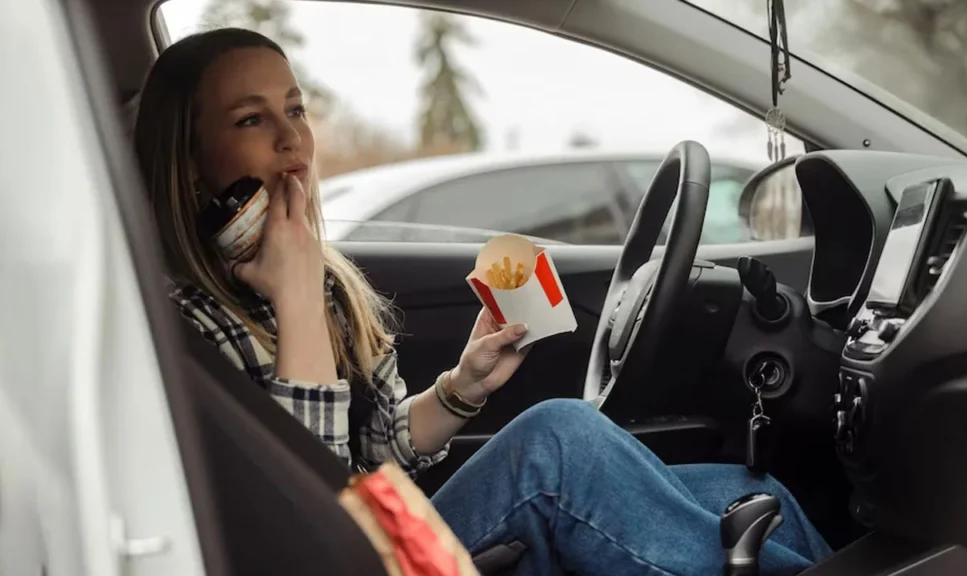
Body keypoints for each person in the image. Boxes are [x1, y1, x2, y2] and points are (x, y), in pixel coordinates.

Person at [133, 28, 831, 575]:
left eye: (294, 109)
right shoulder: (184, 326)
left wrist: (460, 389)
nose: (292, 139)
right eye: (252, 121)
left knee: (746, 493)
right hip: (352, 557)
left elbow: (374, 455)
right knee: (560, 441)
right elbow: (316, 516)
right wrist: (293, 301)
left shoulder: (323, 283)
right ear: (191, 165)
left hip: (389, 534)